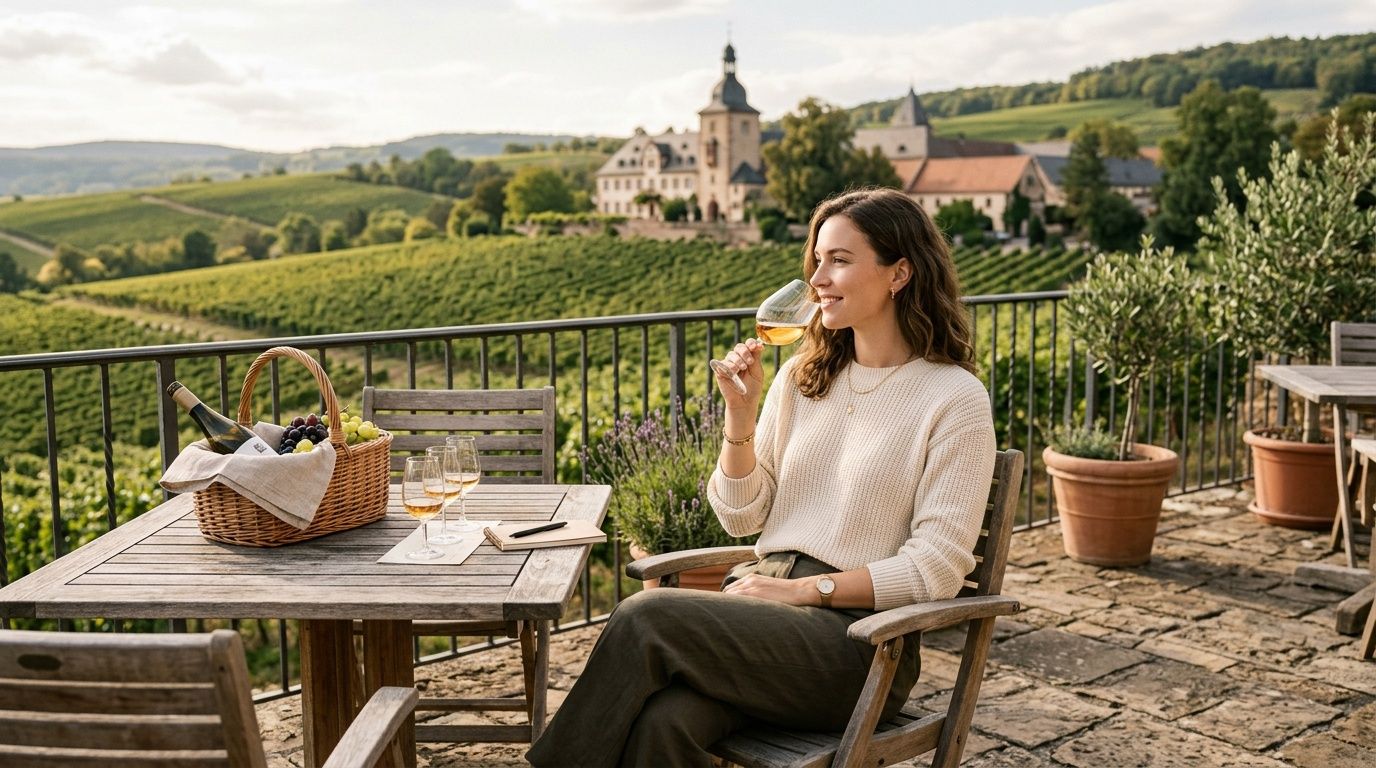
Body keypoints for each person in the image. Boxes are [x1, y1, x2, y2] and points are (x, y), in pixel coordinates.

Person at [526, 188, 996, 767]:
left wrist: (806, 591)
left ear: (899, 273)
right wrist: (740, 421)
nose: (819, 277)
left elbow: (938, 567)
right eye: (817, 260)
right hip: (763, 606)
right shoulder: (803, 377)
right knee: (663, 724)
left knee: (646, 615)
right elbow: (742, 516)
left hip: (860, 643)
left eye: (840, 260)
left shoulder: (953, 398)